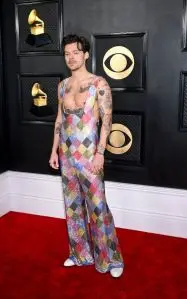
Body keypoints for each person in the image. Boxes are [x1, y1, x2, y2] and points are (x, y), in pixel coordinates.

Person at [49, 34, 124, 278]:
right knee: (73, 207)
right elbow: (60, 120)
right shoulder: (62, 86)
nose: (71, 57)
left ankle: (111, 259)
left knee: (98, 206)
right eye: (67, 53)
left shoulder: (99, 84)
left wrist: (101, 153)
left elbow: (107, 122)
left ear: (86, 54)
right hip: (66, 155)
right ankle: (80, 253)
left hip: (91, 154)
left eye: (76, 52)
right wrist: (54, 151)